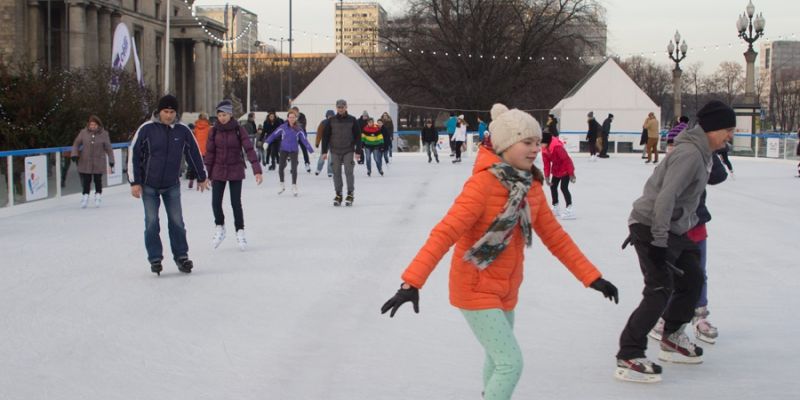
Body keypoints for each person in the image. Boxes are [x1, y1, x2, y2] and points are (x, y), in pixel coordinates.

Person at [381, 103, 618, 400]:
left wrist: (592, 277)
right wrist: (411, 282)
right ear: (506, 145)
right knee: (511, 363)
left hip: (506, 288)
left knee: (497, 360)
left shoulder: (530, 185)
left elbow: (556, 238)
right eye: (527, 142)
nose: (535, 149)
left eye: (537, 142)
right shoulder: (481, 185)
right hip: (474, 287)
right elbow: (444, 234)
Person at [614, 100, 736, 383]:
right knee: (659, 288)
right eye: (727, 130)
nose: (730, 135)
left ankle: (672, 336)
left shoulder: (704, 152)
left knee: (693, 277)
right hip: (651, 225)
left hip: (673, 229)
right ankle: (629, 354)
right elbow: (666, 197)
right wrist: (658, 242)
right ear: (713, 128)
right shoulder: (691, 155)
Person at [649, 151, 728, 345]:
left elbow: (719, 176)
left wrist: (709, 157)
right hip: (675, 225)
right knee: (673, 274)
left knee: (700, 273)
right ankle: (666, 317)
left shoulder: (705, 153)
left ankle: (700, 316)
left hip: (696, 222)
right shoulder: (679, 155)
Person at [128, 94, 209, 276]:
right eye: (166, 111)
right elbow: (134, 154)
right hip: (149, 185)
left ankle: (181, 256)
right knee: (151, 223)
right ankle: (155, 258)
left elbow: (194, 153)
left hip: (171, 185)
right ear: (159, 111)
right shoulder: (147, 129)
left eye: (172, 112)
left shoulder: (182, 131)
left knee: (177, 222)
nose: (169, 115)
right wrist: (135, 182)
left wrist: (201, 176)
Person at [205, 100, 263, 250]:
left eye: (225, 114)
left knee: (235, 203)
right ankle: (220, 227)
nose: (222, 118)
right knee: (215, 202)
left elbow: (249, 150)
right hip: (218, 170)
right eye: (219, 115)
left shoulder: (239, 130)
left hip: (235, 169)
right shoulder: (214, 131)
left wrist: (256, 169)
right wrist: (205, 174)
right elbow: (210, 153)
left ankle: (240, 231)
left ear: (230, 115)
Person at [321, 99, 362, 206]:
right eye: (339, 107)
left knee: (349, 171)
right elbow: (325, 137)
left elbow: (358, 136)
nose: (340, 109)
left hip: (348, 149)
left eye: (342, 107)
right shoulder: (331, 120)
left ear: (346, 107)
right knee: (336, 173)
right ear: (336, 108)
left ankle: (350, 193)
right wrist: (324, 151)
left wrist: (358, 151)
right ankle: (338, 194)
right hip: (334, 150)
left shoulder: (352, 120)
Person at [266, 109, 314, 196]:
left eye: (293, 117)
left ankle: (294, 186)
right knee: (281, 167)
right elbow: (274, 134)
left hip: (294, 150)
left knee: (294, 168)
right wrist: (267, 142)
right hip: (284, 149)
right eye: (290, 117)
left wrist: (311, 150)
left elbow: (304, 140)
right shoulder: (283, 127)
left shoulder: (299, 129)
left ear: (296, 118)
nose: (291, 119)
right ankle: (282, 184)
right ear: (287, 118)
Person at [70, 115, 114, 208]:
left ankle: (98, 196)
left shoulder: (104, 134)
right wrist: (74, 154)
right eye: (91, 124)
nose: (92, 126)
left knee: (98, 180)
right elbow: (76, 143)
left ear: (98, 125)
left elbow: (109, 148)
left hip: (98, 161)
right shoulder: (83, 133)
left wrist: (111, 160)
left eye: (94, 124)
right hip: (86, 161)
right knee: (86, 180)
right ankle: (85, 196)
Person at [541, 131, 576, 219]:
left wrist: (571, 174)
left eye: (541, 143)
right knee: (553, 186)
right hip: (556, 169)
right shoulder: (544, 150)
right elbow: (546, 164)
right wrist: (547, 176)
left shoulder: (557, 147)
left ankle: (569, 209)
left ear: (547, 142)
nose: (540, 145)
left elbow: (567, 160)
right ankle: (555, 206)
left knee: (563, 188)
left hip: (565, 169)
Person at [187, 113, 211, 188]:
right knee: (208, 166)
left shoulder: (195, 128)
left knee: (195, 165)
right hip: (206, 149)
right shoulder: (209, 128)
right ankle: (210, 180)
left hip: (197, 149)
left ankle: (191, 179)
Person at [291, 106, 312, 172]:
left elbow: (302, 125)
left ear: (298, 111)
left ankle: (307, 163)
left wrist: (295, 124)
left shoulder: (302, 116)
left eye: (295, 112)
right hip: (294, 136)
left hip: (302, 136)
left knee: (304, 149)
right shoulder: (291, 117)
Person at [315, 110, 335, 177]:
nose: (330, 117)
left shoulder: (336, 123)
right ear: (327, 116)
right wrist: (317, 142)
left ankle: (330, 171)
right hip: (325, 142)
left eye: (332, 115)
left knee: (331, 158)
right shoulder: (323, 123)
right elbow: (319, 133)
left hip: (333, 143)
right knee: (322, 156)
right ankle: (318, 169)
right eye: (329, 115)